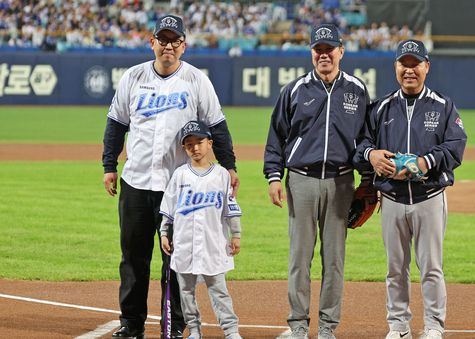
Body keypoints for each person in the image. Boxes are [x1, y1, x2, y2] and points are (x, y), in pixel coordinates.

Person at [102, 14, 239, 339]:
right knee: (133, 260)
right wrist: (109, 165)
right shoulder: (133, 78)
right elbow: (116, 124)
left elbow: (217, 125)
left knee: (177, 262)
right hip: (135, 184)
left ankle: (176, 325)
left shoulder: (196, 81)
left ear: (183, 46)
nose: (168, 46)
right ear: (152, 43)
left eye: (174, 41)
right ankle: (131, 325)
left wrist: (229, 165)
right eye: (162, 40)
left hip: (177, 190)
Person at [353, 39, 467, 339]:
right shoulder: (381, 108)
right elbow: (361, 144)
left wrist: (425, 162)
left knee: (431, 267)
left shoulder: (443, 106)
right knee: (395, 269)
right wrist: (371, 156)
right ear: (396, 67)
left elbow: (456, 146)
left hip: (429, 197)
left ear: (426, 67)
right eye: (404, 64)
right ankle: (399, 326)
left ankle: (433, 326)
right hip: (391, 198)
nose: (409, 70)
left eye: (415, 64)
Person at [263, 23, 371, 339]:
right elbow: (276, 137)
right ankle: (298, 325)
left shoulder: (356, 90)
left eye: (329, 49)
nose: (324, 55)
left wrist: (367, 183)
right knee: (300, 258)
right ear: (312, 53)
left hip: (341, 183)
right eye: (318, 49)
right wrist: (273, 176)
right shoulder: (294, 90)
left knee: (334, 261)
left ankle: (327, 327)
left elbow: (367, 138)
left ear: (341, 51)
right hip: (301, 180)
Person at [160, 120, 243, 339]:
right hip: (185, 243)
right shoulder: (180, 175)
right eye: (189, 144)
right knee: (186, 292)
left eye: (199, 142)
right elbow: (168, 207)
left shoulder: (222, 175)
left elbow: (230, 208)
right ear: (184, 148)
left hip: (213, 243)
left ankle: (231, 330)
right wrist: (163, 232)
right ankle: (194, 330)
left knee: (219, 290)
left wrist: (236, 234)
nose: (195, 148)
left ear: (210, 143)